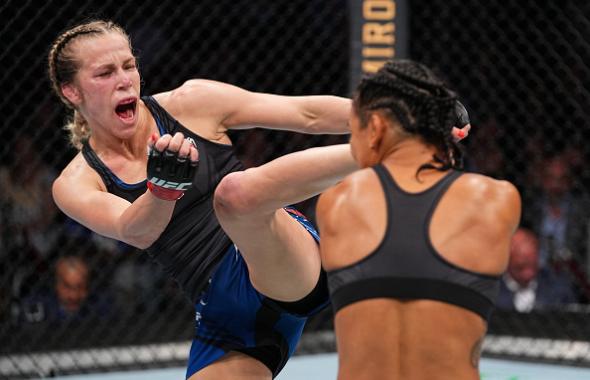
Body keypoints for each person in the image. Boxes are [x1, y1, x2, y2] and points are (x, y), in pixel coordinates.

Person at [46, 19, 360, 380]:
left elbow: (308, 114)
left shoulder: (191, 102)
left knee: (233, 195)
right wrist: (163, 190)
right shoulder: (75, 182)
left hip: (278, 259)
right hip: (226, 319)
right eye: (104, 73)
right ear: (72, 92)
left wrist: (391, 121)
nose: (124, 80)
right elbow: (135, 230)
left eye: (129, 65)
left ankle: (385, 148)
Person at [316, 59, 521, 380]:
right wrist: (436, 136)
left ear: (376, 129)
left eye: (353, 133)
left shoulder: (337, 203)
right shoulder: (495, 200)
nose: (353, 148)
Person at [497, 227, 577, 312]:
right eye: (522, 264)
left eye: (532, 262)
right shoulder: (490, 292)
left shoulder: (558, 289)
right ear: (506, 259)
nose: (528, 271)